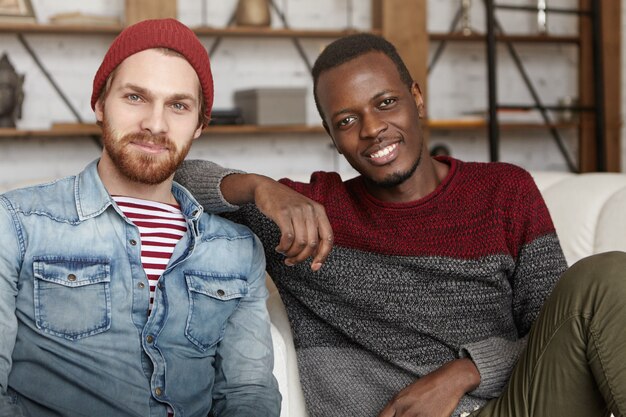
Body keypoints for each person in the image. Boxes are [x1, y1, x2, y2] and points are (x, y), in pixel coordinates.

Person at [175, 33, 626, 417]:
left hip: (516, 404)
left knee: (606, 277)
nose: (372, 129)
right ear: (333, 138)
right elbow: (173, 177)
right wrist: (259, 186)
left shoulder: (505, 192)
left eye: (386, 103)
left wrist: (465, 373)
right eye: (347, 121)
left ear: (417, 97)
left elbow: (553, 329)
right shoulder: (309, 213)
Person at [0, 18, 280, 417]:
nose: (155, 123)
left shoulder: (236, 250)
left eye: (178, 105)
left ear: (200, 124)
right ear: (99, 103)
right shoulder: (16, 224)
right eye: (135, 97)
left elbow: (247, 393)